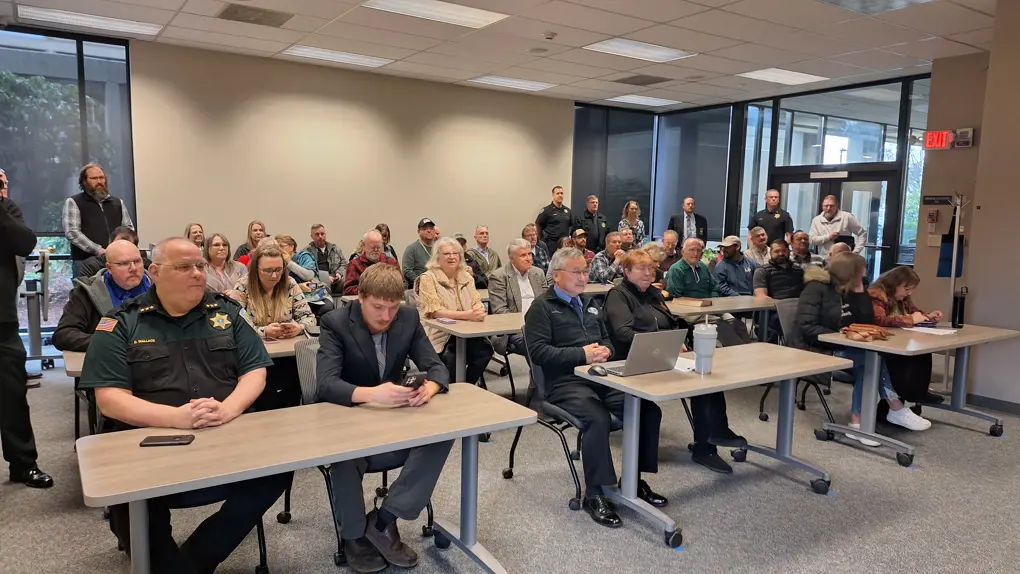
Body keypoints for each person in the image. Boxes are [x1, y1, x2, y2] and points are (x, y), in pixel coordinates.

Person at [78, 237, 291, 572]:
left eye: (199, 266)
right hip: (149, 445)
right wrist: (177, 418)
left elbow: (255, 371)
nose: (196, 274)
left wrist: (228, 409)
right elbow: (109, 399)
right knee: (129, 500)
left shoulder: (228, 313)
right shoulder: (121, 324)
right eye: (183, 267)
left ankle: (195, 559)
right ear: (156, 273)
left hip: (225, 437)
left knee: (277, 469)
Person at [316, 263, 451, 573]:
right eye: (378, 307)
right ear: (360, 298)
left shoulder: (408, 317)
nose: (386, 316)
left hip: (392, 421)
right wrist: (374, 394)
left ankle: (384, 520)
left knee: (441, 435)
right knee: (345, 452)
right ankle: (352, 536)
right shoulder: (335, 323)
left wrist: (429, 387)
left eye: (392, 308)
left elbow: (437, 366)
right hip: (347, 418)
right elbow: (326, 383)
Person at [525, 248, 666, 527]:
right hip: (564, 383)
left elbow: (609, 341)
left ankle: (634, 481)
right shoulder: (542, 307)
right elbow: (539, 353)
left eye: (585, 271)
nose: (583, 277)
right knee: (597, 418)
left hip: (601, 375)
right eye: (576, 272)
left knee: (647, 409)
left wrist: (606, 351)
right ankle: (596, 492)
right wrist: (582, 354)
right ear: (556, 276)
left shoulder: (589, 302)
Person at [604, 250, 745, 473]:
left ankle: (709, 442)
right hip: (633, 361)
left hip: (663, 355)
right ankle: (707, 439)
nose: (648, 273)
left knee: (705, 378)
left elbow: (671, 323)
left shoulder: (654, 295)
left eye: (651, 268)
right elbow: (623, 333)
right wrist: (661, 341)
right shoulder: (618, 295)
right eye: (642, 268)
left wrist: (674, 340)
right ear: (626, 271)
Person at [796, 253, 930, 447]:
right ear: (849, 271)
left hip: (851, 344)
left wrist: (860, 293)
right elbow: (806, 327)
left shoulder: (853, 288)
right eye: (861, 270)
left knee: (872, 357)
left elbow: (868, 321)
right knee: (869, 361)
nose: (865, 273)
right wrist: (839, 335)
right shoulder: (817, 288)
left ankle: (862, 420)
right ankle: (882, 412)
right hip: (819, 349)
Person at [1, 176, 53, 488]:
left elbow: (24, 242)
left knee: (12, 398)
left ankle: (23, 465)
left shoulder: (6, 209)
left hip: (2, 323)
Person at [416, 237, 493, 385]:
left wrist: (479, 309)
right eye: (446, 254)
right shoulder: (427, 278)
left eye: (455, 253)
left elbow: (476, 301)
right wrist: (468, 315)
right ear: (437, 256)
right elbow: (435, 311)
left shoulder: (466, 277)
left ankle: (467, 386)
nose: (452, 257)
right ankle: (451, 388)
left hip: (466, 331)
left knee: (485, 350)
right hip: (440, 334)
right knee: (452, 356)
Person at [868, 266, 945, 409]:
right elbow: (880, 319)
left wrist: (929, 316)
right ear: (894, 283)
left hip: (897, 339)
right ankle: (904, 396)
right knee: (904, 359)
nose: (909, 293)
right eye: (906, 289)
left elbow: (915, 313)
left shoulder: (903, 298)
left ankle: (918, 391)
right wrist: (909, 320)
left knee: (923, 351)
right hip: (882, 342)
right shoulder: (876, 295)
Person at [53, 240, 151, 352]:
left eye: (137, 261)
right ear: (109, 268)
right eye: (124, 263)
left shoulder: (161, 288)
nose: (133, 268)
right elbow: (63, 335)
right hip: (111, 360)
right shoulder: (87, 292)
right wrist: (110, 342)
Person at [665, 238, 750, 346]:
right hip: (690, 312)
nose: (695, 253)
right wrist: (700, 305)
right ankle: (738, 355)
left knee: (738, 325)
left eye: (699, 250)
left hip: (710, 308)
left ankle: (747, 352)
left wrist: (711, 300)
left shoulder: (703, 267)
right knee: (723, 327)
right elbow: (676, 295)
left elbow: (715, 287)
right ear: (683, 251)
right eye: (691, 250)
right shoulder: (676, 269)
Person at [63, 163, 135, 277]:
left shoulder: (117, 203)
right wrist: (99, 250)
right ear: (84, 181)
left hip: (118, 261)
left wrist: (121, 249)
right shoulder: (74, 202)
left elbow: (128, 229)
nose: (99, 181)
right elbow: (72, 232)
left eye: (101, 178)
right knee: (87, 294)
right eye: (94, 178)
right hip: (85, 262)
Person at [231, 242, 316, 338]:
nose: (274, 276)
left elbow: (310, 318)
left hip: (286, 344)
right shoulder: (243, 285)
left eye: (279, 270)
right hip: (254, 345)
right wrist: (263, 332)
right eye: (268, 270)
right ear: (256, 270)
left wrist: (300, 327)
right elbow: (234, 323)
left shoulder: (290, 283)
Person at [488, 238, 546, 356]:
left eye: (530, 254)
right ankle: (538, 375)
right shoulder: (499, 276)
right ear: (512, 258)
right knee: (536, 345)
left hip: (541, 325)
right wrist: (528, 324)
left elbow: (547, 302)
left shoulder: (538, 273)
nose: (528, 258)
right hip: (513, 330)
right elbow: (500, 311)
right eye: (523, 255)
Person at [77, 226, 151, 279]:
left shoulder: (145, 265)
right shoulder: (91, 266)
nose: (123, 251)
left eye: (129, 247)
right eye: (118, 246)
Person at [344, 229, 398, 295]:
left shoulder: (391, 263)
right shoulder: (354, 264)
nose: (376, 250)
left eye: (378, 247)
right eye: (372, 247)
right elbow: (348, 290)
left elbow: (402, 284)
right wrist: (371, 289)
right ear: (363, 246)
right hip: (365, 302)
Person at [304, 224, 347, 293]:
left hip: (336, 281)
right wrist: (325, 278)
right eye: (317, 234)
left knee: (349, 283)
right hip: (317, 283)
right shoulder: (306, 252)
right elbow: (307, 271)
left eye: (322, 234)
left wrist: (339, 274)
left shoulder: (335, 248)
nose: (320, 236)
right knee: (307, 286)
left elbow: (344, 264)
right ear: (312, 237)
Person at [536, 185, 572, 255]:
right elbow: (538, 225)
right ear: (553, 195)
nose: (560, 195)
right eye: (558, 193)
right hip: (551, 244)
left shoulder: (567, 211)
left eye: (561, 193)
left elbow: (571, 225)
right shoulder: (546, 210)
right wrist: (541, 240)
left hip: (564, 244)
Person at [401, 218, 436, 288]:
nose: (429, 230)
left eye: (431, 228)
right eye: (425, 228)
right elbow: (407, 271)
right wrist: (422, 283)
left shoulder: (439, 248)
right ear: (418, 232)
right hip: (419, 288)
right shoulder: (412, 249)